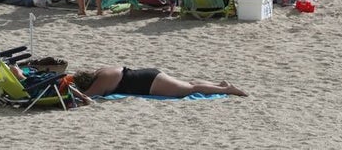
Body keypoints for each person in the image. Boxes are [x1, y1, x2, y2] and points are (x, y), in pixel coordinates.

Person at [73, 65, 246, 100]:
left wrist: (71, 90)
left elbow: (86, 98)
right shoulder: (102, 70)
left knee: (189, 89)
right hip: (148, 74)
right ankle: (219, 84)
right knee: (188, 83)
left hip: (150, 83)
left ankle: (228, 89)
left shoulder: (100, 81)